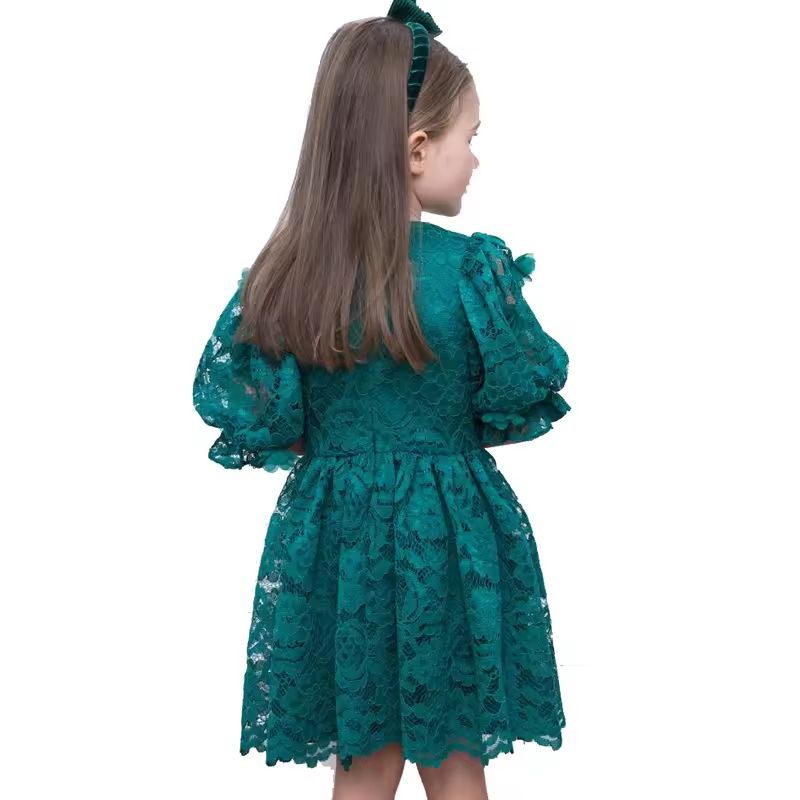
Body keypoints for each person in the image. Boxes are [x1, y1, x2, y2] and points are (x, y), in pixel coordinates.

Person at [192, 2, 571, 798]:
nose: (476, 159)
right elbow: (519, 393)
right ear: (417, 148)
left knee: (363, 762)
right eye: (471, 136)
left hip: (339, 547)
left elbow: (262, 414)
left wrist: (346, 446)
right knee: (456, 757)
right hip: (450, 541)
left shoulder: (292, 277)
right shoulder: (471, 274)